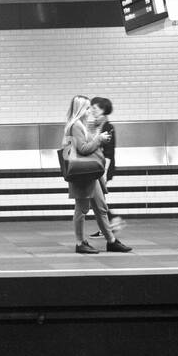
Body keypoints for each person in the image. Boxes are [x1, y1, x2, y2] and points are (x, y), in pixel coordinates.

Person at [61, 96, 132, 255]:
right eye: (87, 108)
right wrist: (99, 140)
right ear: (80, 110)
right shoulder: (75, 126)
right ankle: (80, 243)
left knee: (101, 208)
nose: (89, 111)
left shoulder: (82, 125)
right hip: (82, 174)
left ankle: (111, 241)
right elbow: (83, 149)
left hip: (90, 174)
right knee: (81, 209)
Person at [87, 97, 125, 238]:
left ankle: (113, 220)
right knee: (97, 199)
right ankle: (107, 225)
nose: (92, 111)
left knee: (97, 199)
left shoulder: (108, 127)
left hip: (103, 168)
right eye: (91, 108)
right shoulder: (95, 126)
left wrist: (104, 173)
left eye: (95, 108)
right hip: (95, 167)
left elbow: (109, 153)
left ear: (103, 110)